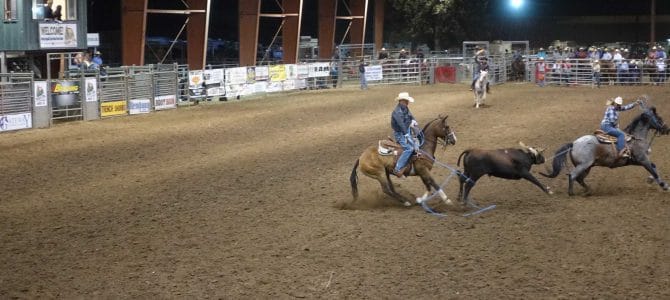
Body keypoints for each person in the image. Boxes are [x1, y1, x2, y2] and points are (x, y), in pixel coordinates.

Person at [391, 92, 418, 178]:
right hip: (400, 133)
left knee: (416, 142)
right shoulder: (397, 112)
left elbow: (410, 116)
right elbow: (401, 124)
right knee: (409, 149)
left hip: (407, 130)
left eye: (407, 101)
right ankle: (397, 168)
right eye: (406, 101)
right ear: (401, 101)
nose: (408, 102)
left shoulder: (405, 108)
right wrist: (406, 134)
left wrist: (414, 120)